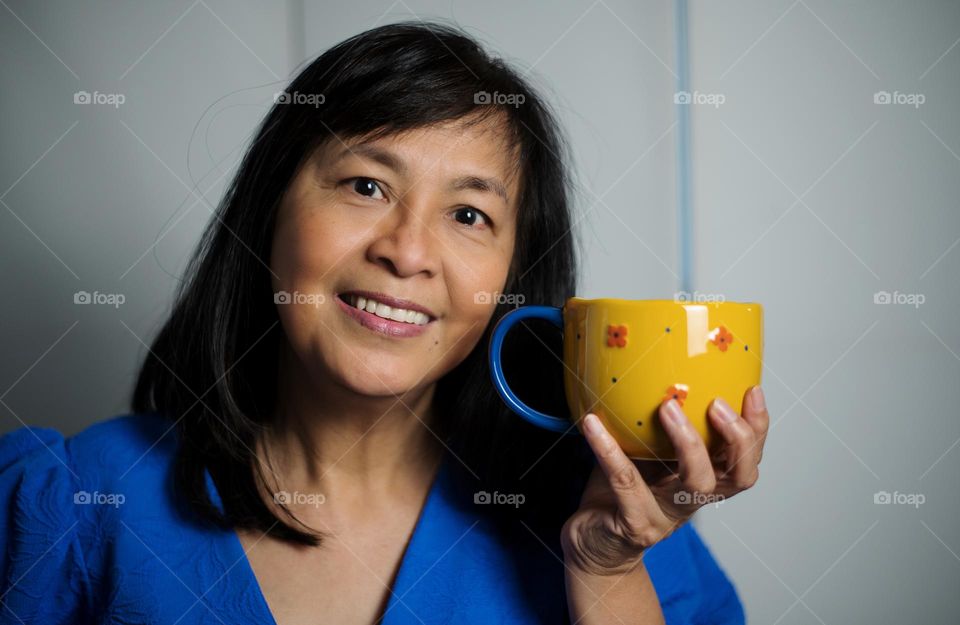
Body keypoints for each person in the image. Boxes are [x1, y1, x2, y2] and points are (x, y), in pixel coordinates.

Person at [0, 21, 767, 624]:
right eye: (366, 185)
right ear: (269, 214)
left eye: (469, 214)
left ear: (510, 281)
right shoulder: (70, 504)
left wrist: (606, 571)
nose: (406, 251)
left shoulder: (618, 518)